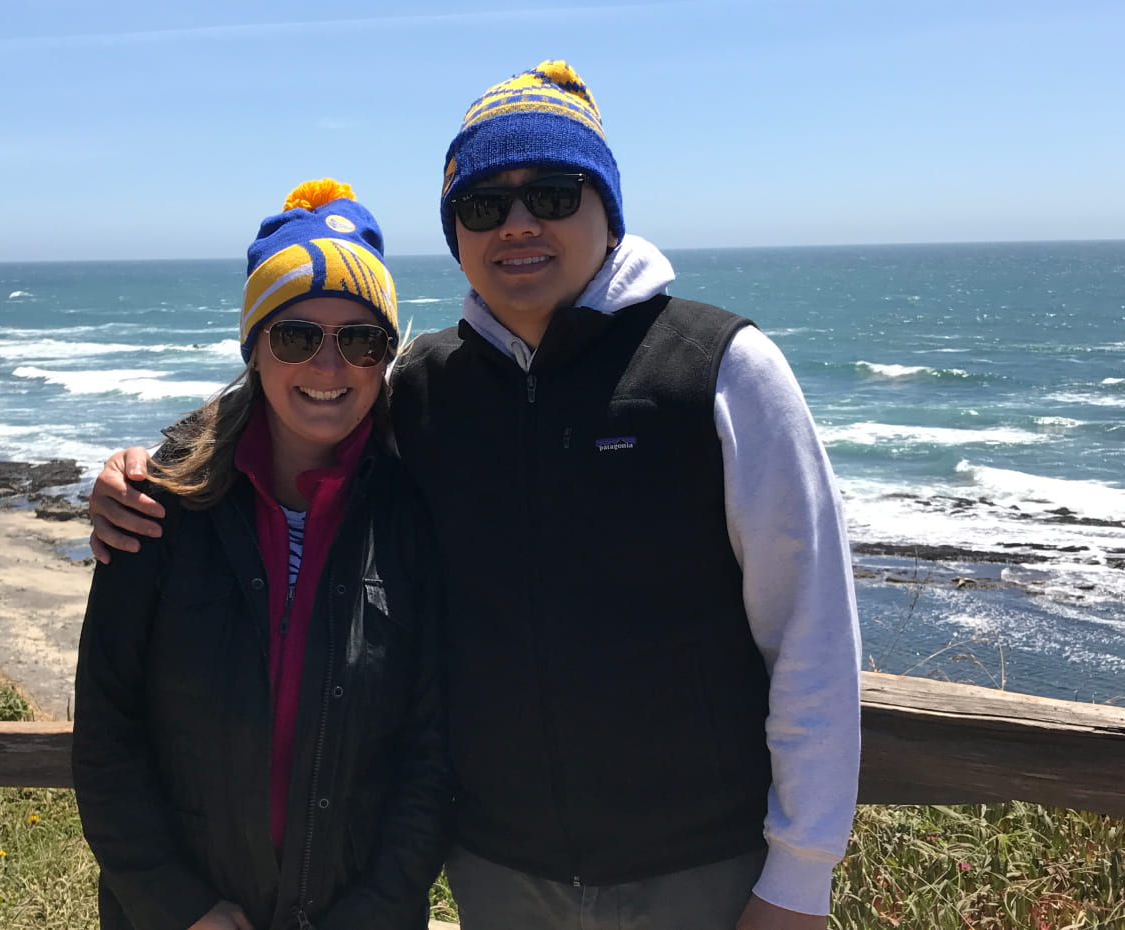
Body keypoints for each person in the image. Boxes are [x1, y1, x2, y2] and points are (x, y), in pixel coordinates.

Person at [89, 62, 862, 930]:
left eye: (555, 193)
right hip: (498, 871)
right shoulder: (423, 391)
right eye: (484, 205)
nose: (519, 224)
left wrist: (798, 879)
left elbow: (814, 634)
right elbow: (293, 410)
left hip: (701, 866)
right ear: (456, 232)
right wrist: (141, 474)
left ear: (609, 208)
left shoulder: (718, 369)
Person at [72, 180, 451, 930]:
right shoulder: (159, 506)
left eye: (361, 339)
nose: (329, 366)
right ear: (255, 346)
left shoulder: (414, 516)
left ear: (385, 359)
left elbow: (431, 757)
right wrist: (182, 908)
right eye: (297, 336)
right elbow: (106, 736)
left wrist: (372, 914)